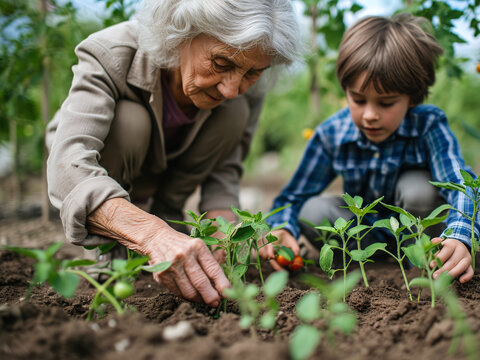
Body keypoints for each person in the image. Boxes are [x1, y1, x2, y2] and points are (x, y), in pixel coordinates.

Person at [46, 0, 301, 307]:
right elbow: (67, 165)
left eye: (253, 72)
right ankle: (110, 255)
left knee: (234, 113)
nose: (232, 89)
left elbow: (225, 169)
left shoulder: (243, 89)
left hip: (167, 182)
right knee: (131, 122)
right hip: (107, 166)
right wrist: (152, 235)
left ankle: (169, 220)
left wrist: (227, 232)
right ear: (180, 34)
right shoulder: (111, 54)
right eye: (221, 64)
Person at [260, 13, 480, 284]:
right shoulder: (332, 134)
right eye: (358, 99)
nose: (369, 115)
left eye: (386, 103)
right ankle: (367, 267)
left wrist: (461, 237)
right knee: (310, 211)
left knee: (418, 189)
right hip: (364, 238)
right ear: (345, 90)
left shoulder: (427, 126)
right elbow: (292, 196)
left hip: (420, 233)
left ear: (411, 98)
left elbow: (463, 185)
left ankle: (431, 260)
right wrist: (282, 229)